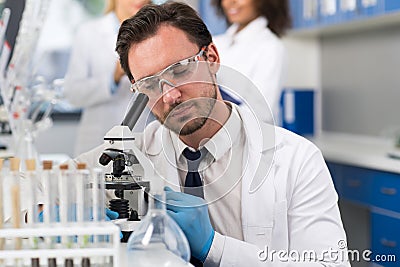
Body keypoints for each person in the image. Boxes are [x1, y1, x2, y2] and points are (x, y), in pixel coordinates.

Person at [75, 2, 350, 266]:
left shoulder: (296, 159)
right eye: (150, 84)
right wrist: (57, 212)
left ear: (212, 58)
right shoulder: (135, 152)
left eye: (180, 70)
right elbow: (40, 182)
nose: (169, 95)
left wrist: (213, 247)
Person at [63, 0, 151, 156]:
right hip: (97, 139)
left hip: (142, 136)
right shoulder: (89, 32)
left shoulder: (156, 33)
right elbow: (73, 93)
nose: (139, 0)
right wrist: (114, 77)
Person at [212, 0, 291, 124]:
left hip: (250, 139)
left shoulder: (271, 47)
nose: (231, 2)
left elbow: (260, 113)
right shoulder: (216, 42)